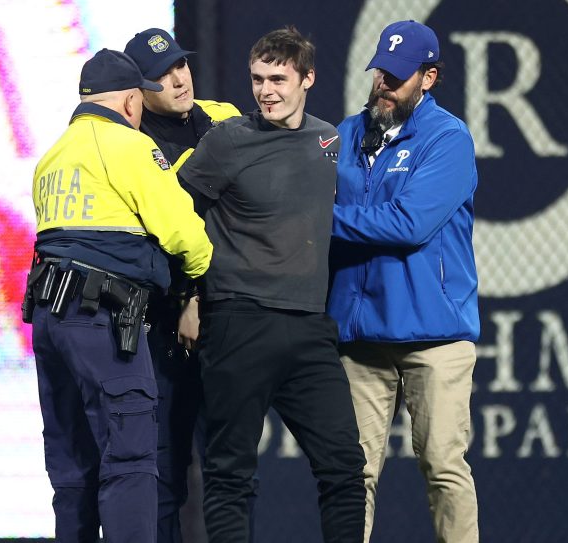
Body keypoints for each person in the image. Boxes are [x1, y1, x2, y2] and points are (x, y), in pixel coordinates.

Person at [178, 26, 366, 543]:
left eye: (278, 79)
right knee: (230, 473)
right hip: (238, 322)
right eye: (258, 79)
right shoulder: (227, 141)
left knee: (346, 469)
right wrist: (189, 297)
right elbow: (176, 219)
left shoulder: (330, 141)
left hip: (309, 327)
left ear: (307, 78)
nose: (266, 91)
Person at [24, 48, 213, 543]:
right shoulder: (130, 147)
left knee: (72, 465)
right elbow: (184, 234)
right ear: (132, 102)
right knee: (130, 458)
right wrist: (195, 278)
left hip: (48, 319)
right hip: (101, 317)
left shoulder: (53, 156)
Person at [327, 20, 480, 543]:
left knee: (442, 466)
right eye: (379, 73)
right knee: (353, 474)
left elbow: (408, 224)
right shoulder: (345, 135)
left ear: (429, 77)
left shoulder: (448, 138)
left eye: (397, 75)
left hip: (433, 334)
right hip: (360, 335)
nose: (384, 84)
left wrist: (321, 219)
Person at [123, 28, 240, 543]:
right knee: (164, 469)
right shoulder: (129, 144)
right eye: (162, 74)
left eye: (180, 65)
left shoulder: (224, 119)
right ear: (137, 88)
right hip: (159, 322)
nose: (177, 79)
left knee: (229, 469)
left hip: (221, 315)